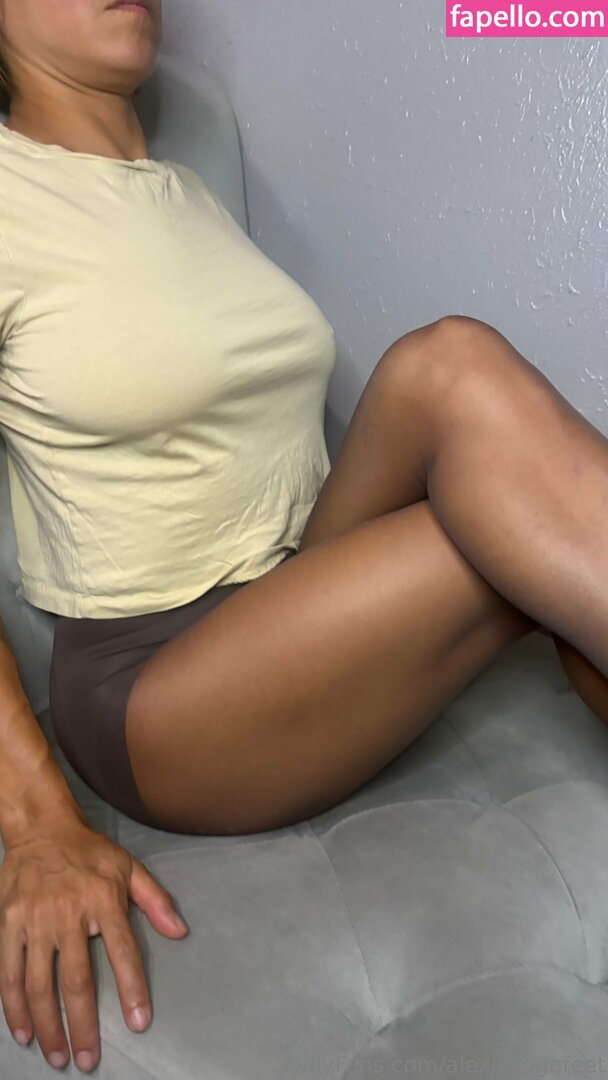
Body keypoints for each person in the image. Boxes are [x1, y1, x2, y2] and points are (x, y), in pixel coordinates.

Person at [0, 0, 606, 1074]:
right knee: (503, 544)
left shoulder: (187, 194)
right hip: (159, 687)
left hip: (297, 595)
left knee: (449, 361)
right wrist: (37, 825)